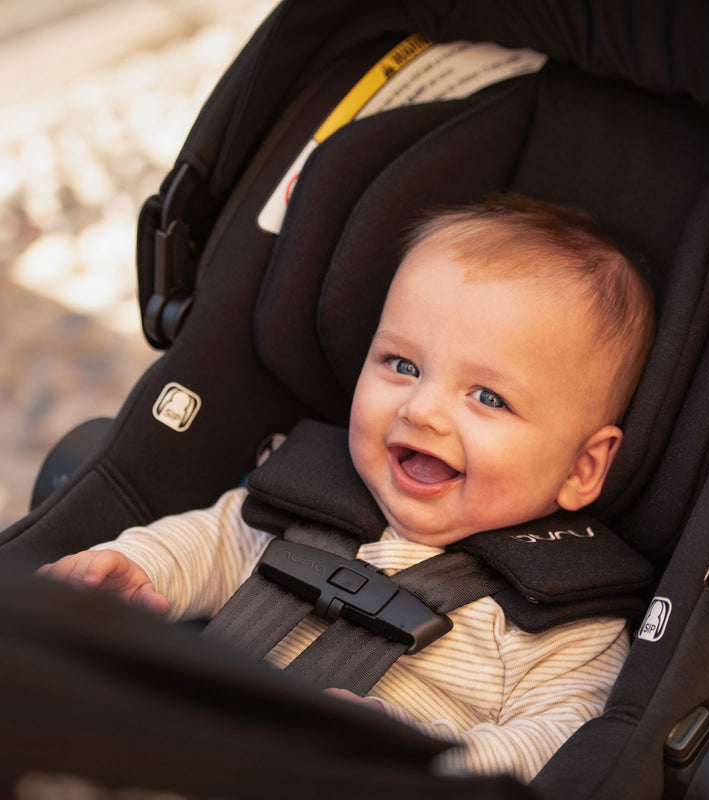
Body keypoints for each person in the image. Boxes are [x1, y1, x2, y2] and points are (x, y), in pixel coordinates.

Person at [36, 192, 656, 782]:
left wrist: (417, 758)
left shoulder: (565, 620)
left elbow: (560, 743)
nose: (423, 411)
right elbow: (214, 540)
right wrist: (139, 566)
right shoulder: (314, 498)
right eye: (402, 365)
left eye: (488, 397)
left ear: (582, 467)